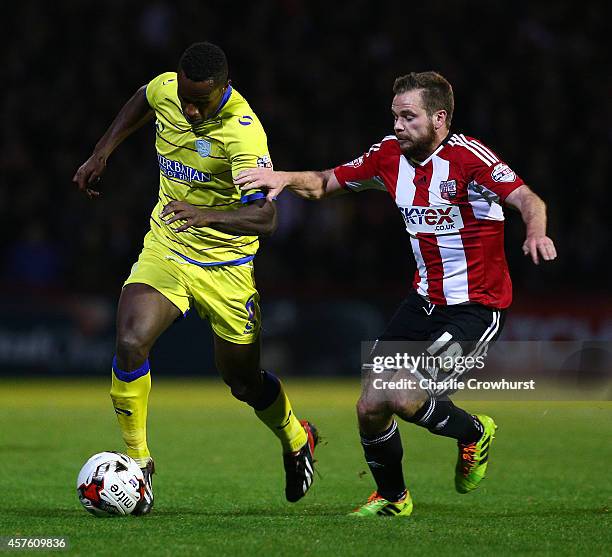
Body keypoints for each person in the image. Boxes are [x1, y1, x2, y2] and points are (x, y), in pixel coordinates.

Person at [236, 71, 557, 517]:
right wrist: (285, 177)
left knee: (401, 395)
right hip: (422, 301)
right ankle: (393, 498)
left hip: (475, 309)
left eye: (409, 117)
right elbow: (328, 181)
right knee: (370, 405)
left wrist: (535, 233)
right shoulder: (388, 156)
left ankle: (474, 433)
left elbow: (527, 199)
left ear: (439, 119)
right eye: (395, 116)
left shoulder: (469, 159)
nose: (398, 126)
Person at [73, 42, 318, 515]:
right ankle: (140, 462)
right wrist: (101, 152)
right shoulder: (170, 90)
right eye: (184, 97)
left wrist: (206, 215)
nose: (188, 108)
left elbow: (266, 218)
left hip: (227, 268)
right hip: (167, 247)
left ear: (224, 88)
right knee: (130, 341)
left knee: (243, 381)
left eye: (199, 102)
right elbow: (144, 96)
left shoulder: (243, 135)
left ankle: (295, 436)